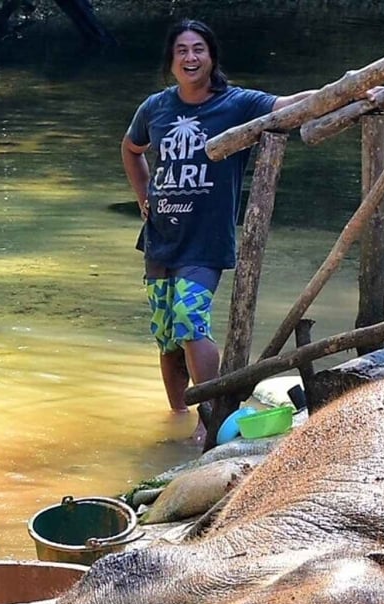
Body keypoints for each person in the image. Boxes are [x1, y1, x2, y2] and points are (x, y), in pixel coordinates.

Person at [121, 19, 317, 429]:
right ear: (171, 61)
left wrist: (345, 91)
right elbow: (131, 148)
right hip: (161, 237)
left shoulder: (236, 103)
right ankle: (177, 419)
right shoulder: (155, 107)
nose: (190, 58)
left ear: (211, 58)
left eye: (198, 50)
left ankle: (209, 421)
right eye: (182, 51)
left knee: (190, 321)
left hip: (205, 240)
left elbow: (290, 105)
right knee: (167, 336)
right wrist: (144, 197)